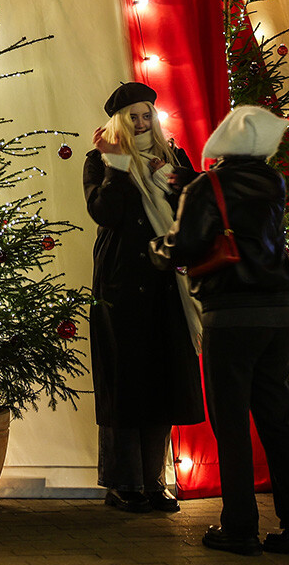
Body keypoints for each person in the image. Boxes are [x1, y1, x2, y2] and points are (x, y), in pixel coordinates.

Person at [151, 105, 289, 556]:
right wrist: (185, 184)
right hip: (278, 313)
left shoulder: (208, 185)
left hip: (230, 314)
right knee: (276, 420)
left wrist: (160, 249)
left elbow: (187, 244)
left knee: (230, 423)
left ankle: (238, 527)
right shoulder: (273, 182)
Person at [83, 81, 204, 513]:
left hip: (166, 282)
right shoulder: (99, 161)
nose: (140, 122)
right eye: (132, 115)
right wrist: (117, 167)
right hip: (119, 284)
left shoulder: (173, 157)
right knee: (124, 383)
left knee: (163, 381)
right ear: (119, 121)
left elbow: (196, 200)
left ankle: (154, 481)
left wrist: (164, 175)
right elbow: (105, 213)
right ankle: (122, 483)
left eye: (146, 114)